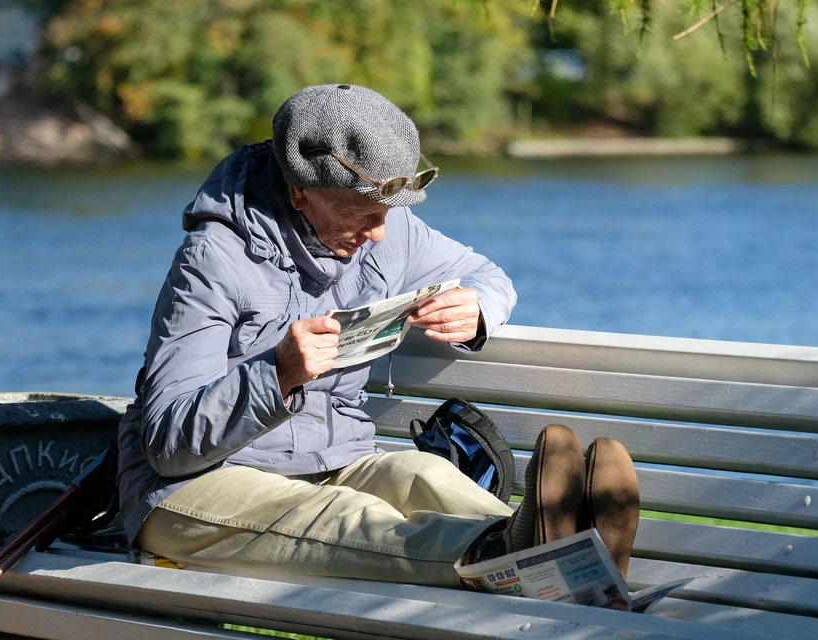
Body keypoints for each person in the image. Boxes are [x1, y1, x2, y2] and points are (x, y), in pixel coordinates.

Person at [116, 83, 639, 588]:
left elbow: (487, 273)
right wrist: (277, 374)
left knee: (417, 475)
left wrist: (479, 307)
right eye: (364, 213)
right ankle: (514, 556)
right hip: (192, 490)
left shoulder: (387, 230)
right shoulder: (213, 260)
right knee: (348, 515)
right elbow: (167, 445)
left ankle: (560, 548)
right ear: (301, 191)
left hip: (334, 460)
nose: (380, 232)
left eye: (387, 212)